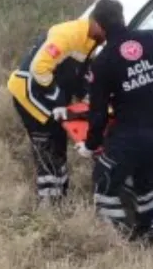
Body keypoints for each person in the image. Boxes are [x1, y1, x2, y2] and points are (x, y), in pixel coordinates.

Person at [75, 0, 153, 248]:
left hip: (130, 137)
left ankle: (128, 240)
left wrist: (90, 145)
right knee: (151, 180)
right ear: (123, 16)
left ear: (99, 25)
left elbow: (97, 112)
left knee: (103, 184)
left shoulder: (104, 61)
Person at [6, 14, 104, 205]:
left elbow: (79, 75)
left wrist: (89, 98)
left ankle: (60, 197)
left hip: (50, 96)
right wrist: (58, 99)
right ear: (96, 24)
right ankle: (48, 203)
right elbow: (40, 67)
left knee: (59, 143)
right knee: (46, 145)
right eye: (106, 30)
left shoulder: (90, 41)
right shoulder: (68, 35)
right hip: (30, 94)